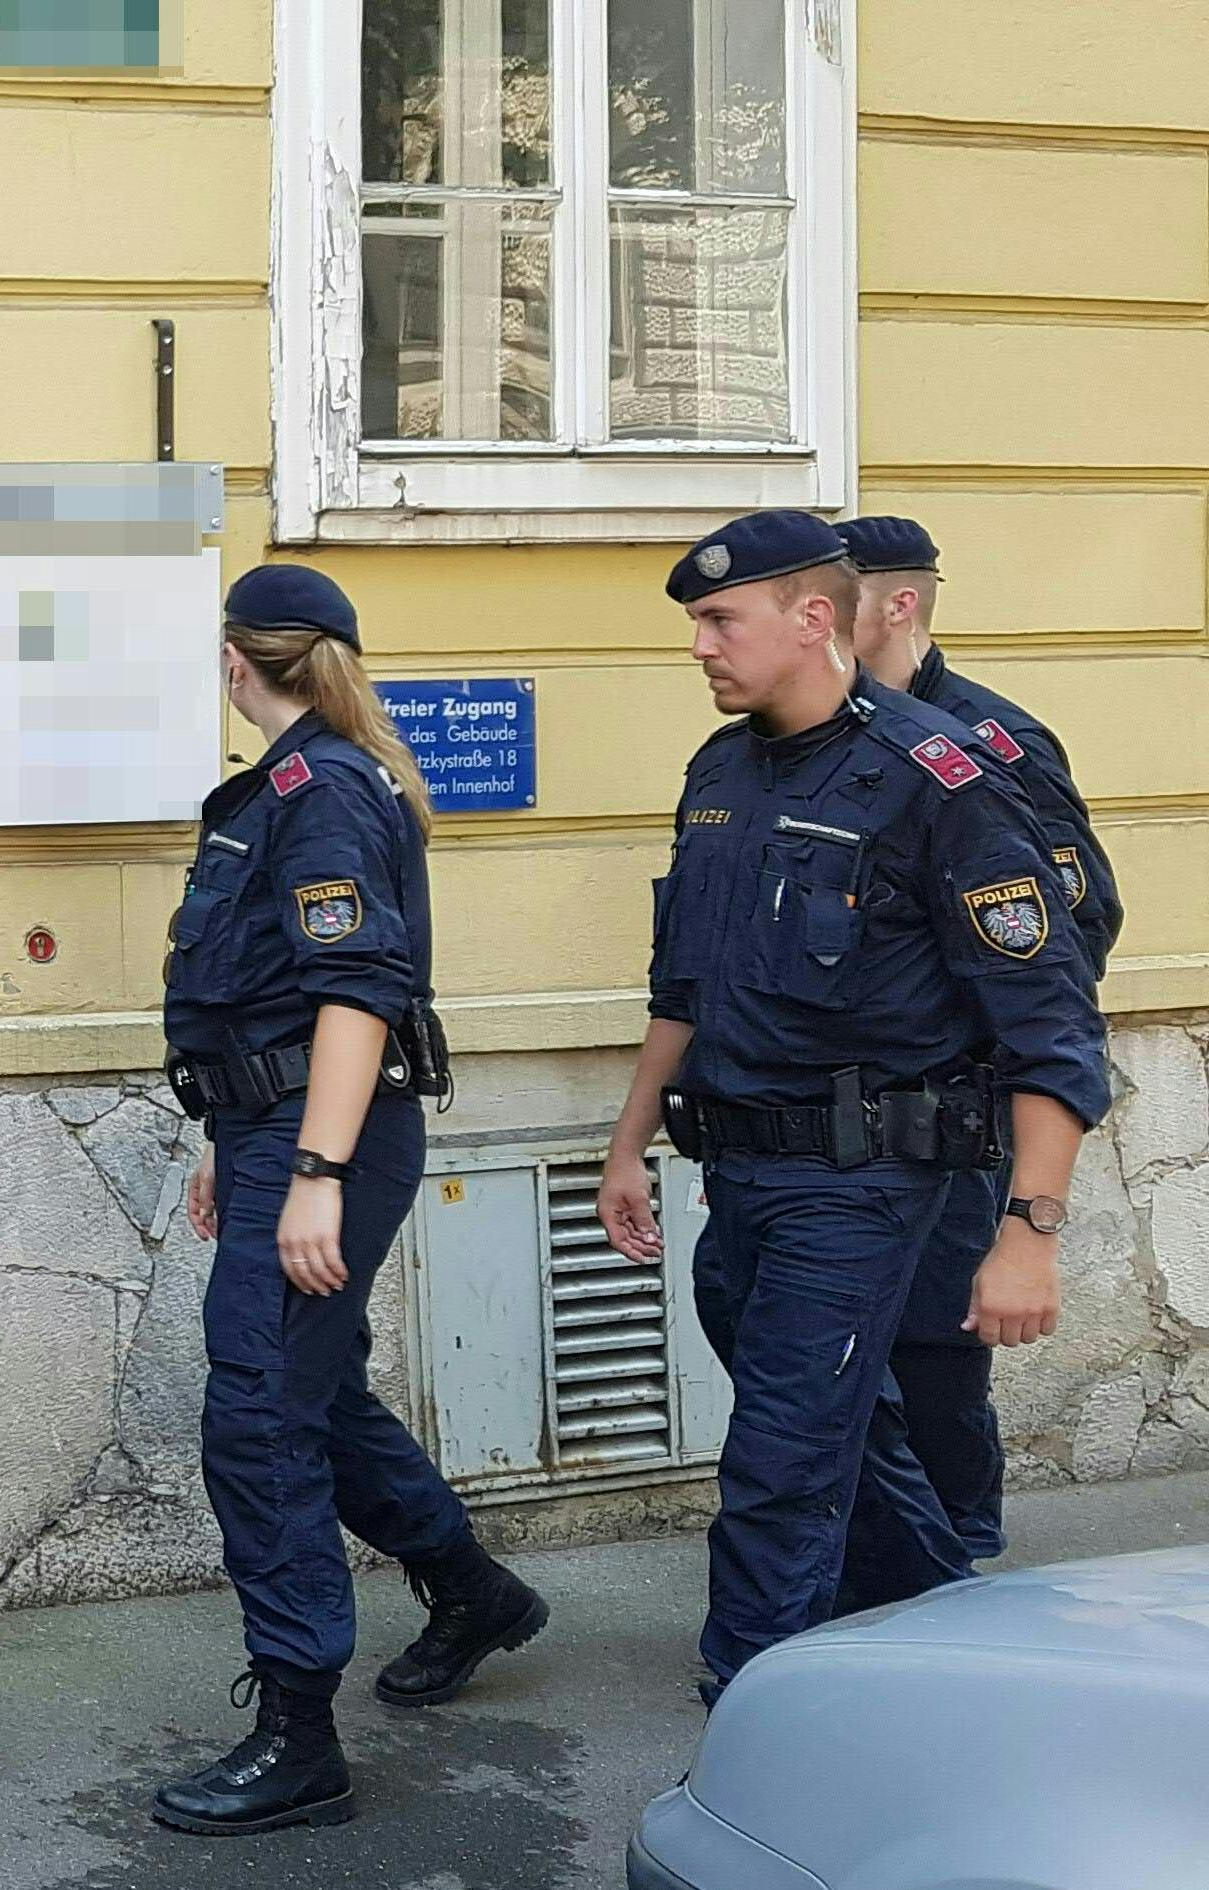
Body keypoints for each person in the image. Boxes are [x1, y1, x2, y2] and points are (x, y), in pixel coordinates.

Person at [598, 512, 1107, 1703]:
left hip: (869, 1173)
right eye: (696, 624)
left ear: (813, 617)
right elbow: (688, 979)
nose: (700, 646)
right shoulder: (718, 770)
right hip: (745, 1168)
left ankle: (753, 1718)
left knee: (780, 1457)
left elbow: (1051, 1021)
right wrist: (628, 1139)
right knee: (831, 1420)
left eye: (721, 619)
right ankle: (954, 1623)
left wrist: (1029, 1233)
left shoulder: (941, 778)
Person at [147, 566, 547, 1837]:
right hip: (276, 1125)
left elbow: (356, 994)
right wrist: (237, 1137)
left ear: (236, 660)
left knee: (259, 1414)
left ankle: (299, 1735)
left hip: (324, 1139)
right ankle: (469, 1586)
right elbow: (268, 996)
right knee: (307, 1390)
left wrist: (311, 1170)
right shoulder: (295, 784)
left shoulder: (318, 794)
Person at [830, 515, 1121, 1610]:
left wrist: (965, 1035)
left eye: (834, 598)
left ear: (897, 605)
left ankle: (959, 1562)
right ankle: (892, 1568)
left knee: (936, 1342)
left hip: (961, 1098)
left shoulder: (986, 744)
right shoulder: (825, 742)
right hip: (843, 1106)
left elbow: (1073, 921)